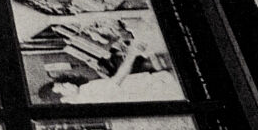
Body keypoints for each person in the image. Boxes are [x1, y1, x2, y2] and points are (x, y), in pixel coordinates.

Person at [38, 47, 183, 104]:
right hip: (160, 87)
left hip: (156, 87)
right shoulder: (85, 94)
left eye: (63, 82)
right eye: (63, 87)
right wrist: (132, 53)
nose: (68, 84)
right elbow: (117, 80)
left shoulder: (83, 96)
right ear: (63, 99)